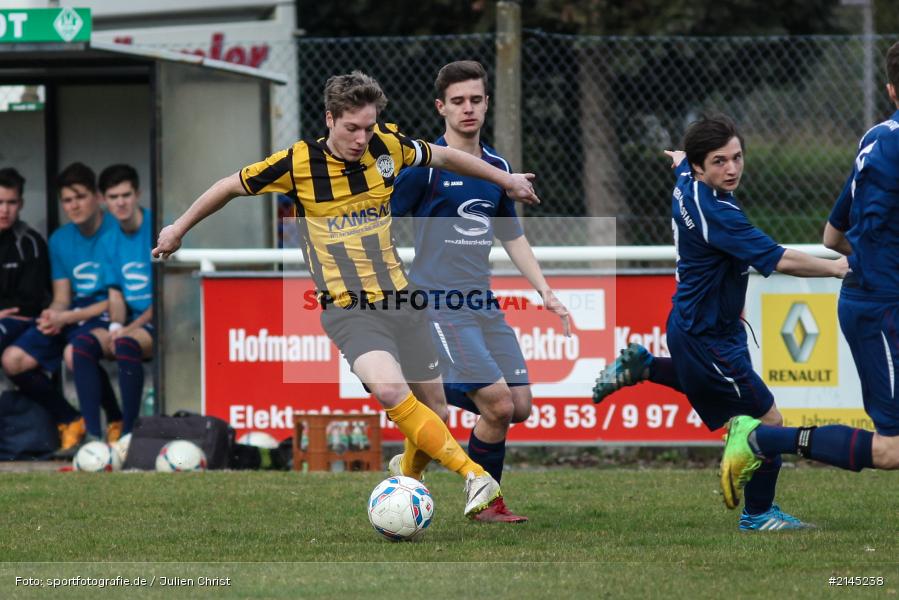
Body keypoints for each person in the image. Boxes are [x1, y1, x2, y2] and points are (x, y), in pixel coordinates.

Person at [153, 71, 540, 519]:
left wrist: (505, 181)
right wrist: (177, 229)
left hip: (401, 300)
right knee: (391, 389)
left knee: (436, 411)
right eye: (351, 128)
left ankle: (408, 487)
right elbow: (228, 186)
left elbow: (447, 158)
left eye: (369, 127)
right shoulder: (298, 163)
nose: (361, 138)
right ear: (329, 119)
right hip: (348, 309)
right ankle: (476, 477)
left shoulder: (388, 147)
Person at [592, 114, 849, 531]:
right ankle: (758, 515)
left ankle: (645, 365)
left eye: (737, 157)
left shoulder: (688, 184)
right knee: (767, 421)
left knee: (705, 385)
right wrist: (837, 268)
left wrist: (678, 159)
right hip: (705, 335)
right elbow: (780, 258)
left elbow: (678, 166)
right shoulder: (717, 213)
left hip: (706, 325)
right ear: (700, 166)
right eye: (719, 161)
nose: (731, 168)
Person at [709, 42, 899, 504]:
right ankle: (761, 440)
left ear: (891, 91)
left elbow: (834, 236)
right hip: (883, 308)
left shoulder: (876, 139)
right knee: (893, 449)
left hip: (870, 296)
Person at [390, 60, 570, 522]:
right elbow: (384, 222)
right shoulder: (425, 167)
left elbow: (512, 237)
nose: (467, 109)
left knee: (520, 406)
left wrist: (546, 292)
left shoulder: (498, 168)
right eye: (458, 101)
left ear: (487, 103)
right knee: (497, 404)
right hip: (439, 301)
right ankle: (487, 503)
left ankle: (422, 398)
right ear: (441, 107)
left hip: (482, 302)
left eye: (475, 99)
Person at [2, 163, 120, 454]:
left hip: (108, 312)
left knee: (74, 353)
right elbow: (62, 297)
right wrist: (53, 315)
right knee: (14, 359)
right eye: (67, 200)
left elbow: (120, 297)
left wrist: (66, 316)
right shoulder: (60, 239)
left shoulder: (116, 231)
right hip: (74, 313)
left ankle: (113, 422)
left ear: (96, 196)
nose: (74, 205)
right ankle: (72, 420)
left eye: (80, 197)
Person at [90, 164, 153, 437]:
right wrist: (116, 327)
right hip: (132, 322)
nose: (120, 202)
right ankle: (93, 435)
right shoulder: (107, 240)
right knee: (81, 347)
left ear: (137, 193)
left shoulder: (158, 225)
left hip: (165, 321)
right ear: (103, 200)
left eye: (126, 195)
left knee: (126, 344)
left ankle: (130, 434)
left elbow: (169, 297)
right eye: (113, 197)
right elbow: (115, 293)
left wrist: (127, 330)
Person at [0, 168, 51, 358]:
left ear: (20, 204)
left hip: (23, 321)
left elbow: (30, 301)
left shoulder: (31, 242)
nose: (5, 210)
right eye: (0, 202)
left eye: (11, 202)